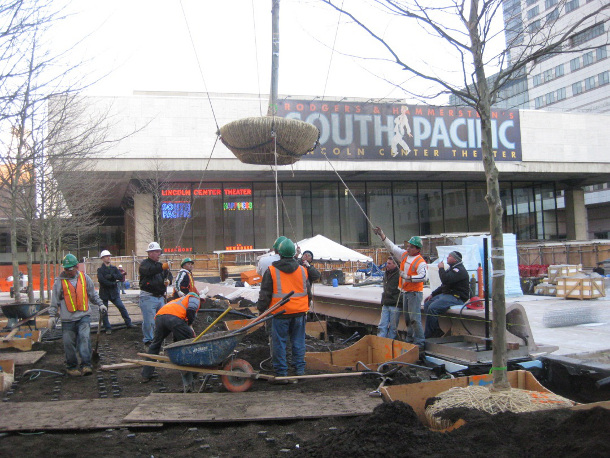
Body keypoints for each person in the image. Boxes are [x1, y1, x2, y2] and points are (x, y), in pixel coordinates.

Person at [256, 238, 320, 379]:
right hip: (299, 313)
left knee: (279, 343)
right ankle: (299, 370)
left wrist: (261, 309)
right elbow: (307, 292)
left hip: (280, 313)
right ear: (293, 254)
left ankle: (281, 372)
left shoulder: (272, 271)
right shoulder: (303, 270)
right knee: (298, 341)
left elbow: (265, 294)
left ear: (279, 253)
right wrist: (305, 307)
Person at [49, 254, 107, 376]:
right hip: (67, 319)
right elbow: (54, 300)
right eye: (65, 269)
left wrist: (100, 304)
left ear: (76, 267)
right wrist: (52, 316)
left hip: (83, 316)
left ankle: (86, 365)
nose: (67, 271)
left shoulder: (84, 278)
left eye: (70, 269)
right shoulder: (59, 282)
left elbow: (92, 294)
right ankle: (71, 366)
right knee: (68, 343)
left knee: (84, 339)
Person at [374, 227, 427, 349]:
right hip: (406, 292)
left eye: (411, 247)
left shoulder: (420, 262)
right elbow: (392, 247)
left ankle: (419, 342)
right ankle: (410, 339)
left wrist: (408, 277)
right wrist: (382, 235)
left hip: (414, 293)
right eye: (408, 246)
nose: (408, 248)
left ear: (417, 249)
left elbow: (424, 277)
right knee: (408, 318)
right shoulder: (405, 256)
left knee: (414, 318)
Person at [141, 292, 201, 391]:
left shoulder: (177, 301)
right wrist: (189, 324)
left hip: (160, 317)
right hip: (174, 318)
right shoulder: (194, 297)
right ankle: (192, 371)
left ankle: (146, 374)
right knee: (190, 342)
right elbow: (191, 310)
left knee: (155, 344)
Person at [423, 251, 470, 338]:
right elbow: (444, 286)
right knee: (427, 305)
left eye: (449, 256)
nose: (447, 258)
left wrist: (441, 269)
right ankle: (435, 330)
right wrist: (433, 294)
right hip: (446, 295)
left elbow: (445, 280)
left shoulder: (459, 270)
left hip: (456, 297)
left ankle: (432, 333)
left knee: (433, 308)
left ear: (455, 259)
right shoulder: (452, 269)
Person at [139, 242, 172, 346]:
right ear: (150, 253)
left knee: (161, 320)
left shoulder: (160, 266)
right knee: (150, 321)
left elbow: (169, 275)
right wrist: (163, 267)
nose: (159, 254)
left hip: (159, 297)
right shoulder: (145, 265)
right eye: (157, 252)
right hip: (148, 297)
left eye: (159, 252)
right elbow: (150, 271)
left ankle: (158, 339)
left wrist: (168, 281)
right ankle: (148, 340)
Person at [97, 250, 133, 334]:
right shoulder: (100, 270)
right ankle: (107, 328)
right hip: (104, 293)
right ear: (102, 258)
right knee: (104, 311)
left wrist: (112, 276)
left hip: (113, 293)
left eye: (109, 256)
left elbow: (120, 276)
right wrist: (112, 282)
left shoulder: (114, 268)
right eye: (107, 256)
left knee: (121, 307)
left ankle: (129, 323)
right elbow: (101, 280)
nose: (109, 257)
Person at [377, 256, 401, 339]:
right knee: (382, 324)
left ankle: (390, 341)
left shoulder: (399, 275)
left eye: (389, 263)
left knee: (393, 327)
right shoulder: (386, 273)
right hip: (386, 302)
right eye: (387, 263)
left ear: (395, 265)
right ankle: (380, 340)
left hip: (395, 303)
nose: (387, 265)